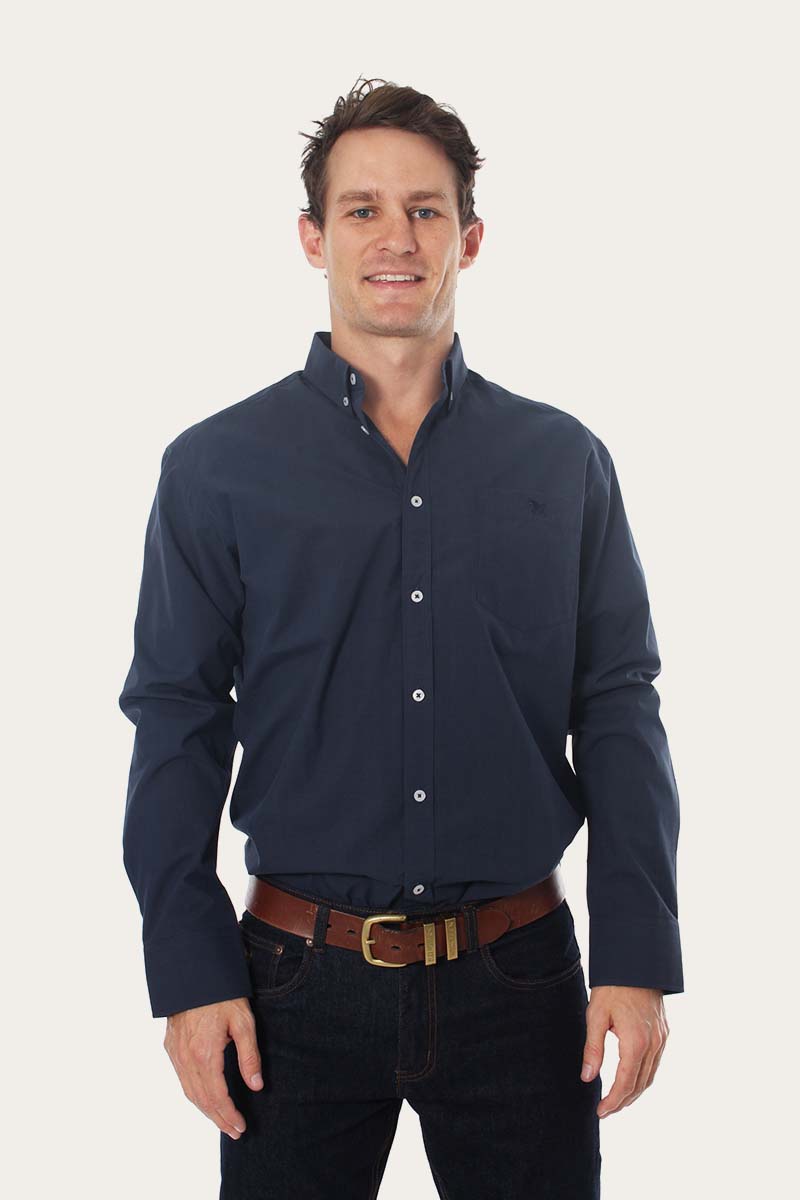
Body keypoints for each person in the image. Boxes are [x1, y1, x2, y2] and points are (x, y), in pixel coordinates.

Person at [118, 75, 683, 1199]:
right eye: (362, 209)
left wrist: (636, 955)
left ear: (469, 239)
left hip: (521, 982)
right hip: (290, 988)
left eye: (425, 210)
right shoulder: (215, 469)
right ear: (312, 237)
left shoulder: (563, 462)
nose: (396, 238)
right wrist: (187, 970)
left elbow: (618, 703)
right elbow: (177, 718)